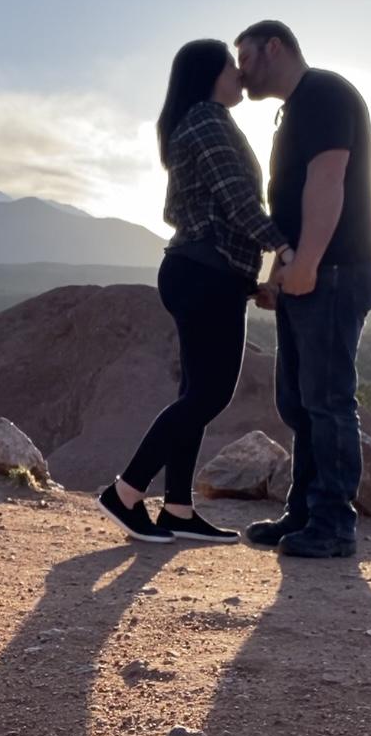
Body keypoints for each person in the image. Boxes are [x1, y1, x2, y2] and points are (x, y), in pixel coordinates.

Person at [98, 39, 293, 544]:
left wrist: (246, 277)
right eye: (233, 67)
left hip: (204, 273)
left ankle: (179, 510)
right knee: (209, 394)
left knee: (197, 393)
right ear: (211, 75)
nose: (240, 76)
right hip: (203, 275)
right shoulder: (206, 121)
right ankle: (125, 492)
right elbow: (236, 202)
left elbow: (197, 209)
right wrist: (284, 250)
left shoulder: (202, 121)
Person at [237, 20, 371, 559]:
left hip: (337, 269)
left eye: (246, 58)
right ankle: (304, 514)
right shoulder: (297, 106)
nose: (241, 71)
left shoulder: (324, 92)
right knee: (299, 402)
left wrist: (311, 264)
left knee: (327, 399)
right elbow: (292, 202)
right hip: (313, 270)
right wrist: (284, 270)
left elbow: (328, 179)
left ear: (273, 47)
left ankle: (333, 524)